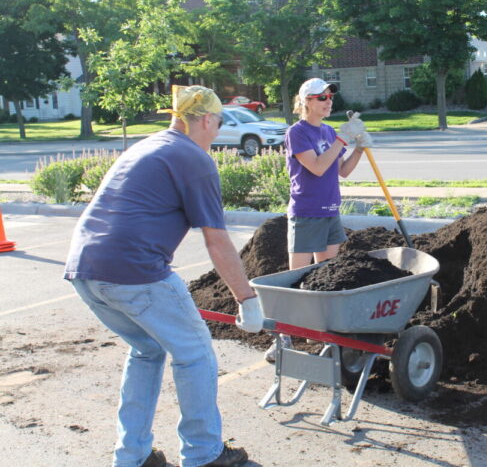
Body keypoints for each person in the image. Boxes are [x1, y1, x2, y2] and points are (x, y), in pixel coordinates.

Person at [64, 85, 263, 467]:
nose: (218, 132)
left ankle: (132, 457)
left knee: (147, 350)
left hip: (85, 269)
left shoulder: (146, 146)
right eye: (219, 123)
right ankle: (204, 454)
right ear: (206, 119)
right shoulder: (194, 157)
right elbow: (217, 241)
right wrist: (247, 298)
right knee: (196, 354)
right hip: (135, 271)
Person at [263, 78, 371, 362]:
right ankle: (282, 338)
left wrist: (359, 148)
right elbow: (319, 167)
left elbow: (342, 170)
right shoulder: (297, 133)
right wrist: (342, 140)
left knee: (325, 278)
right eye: (322, 97)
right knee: (295, 280)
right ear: (307, 101)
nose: (328, 101)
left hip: (330, 211)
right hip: (306, 213)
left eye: (330, 96)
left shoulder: (328, 131)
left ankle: (320, 334)